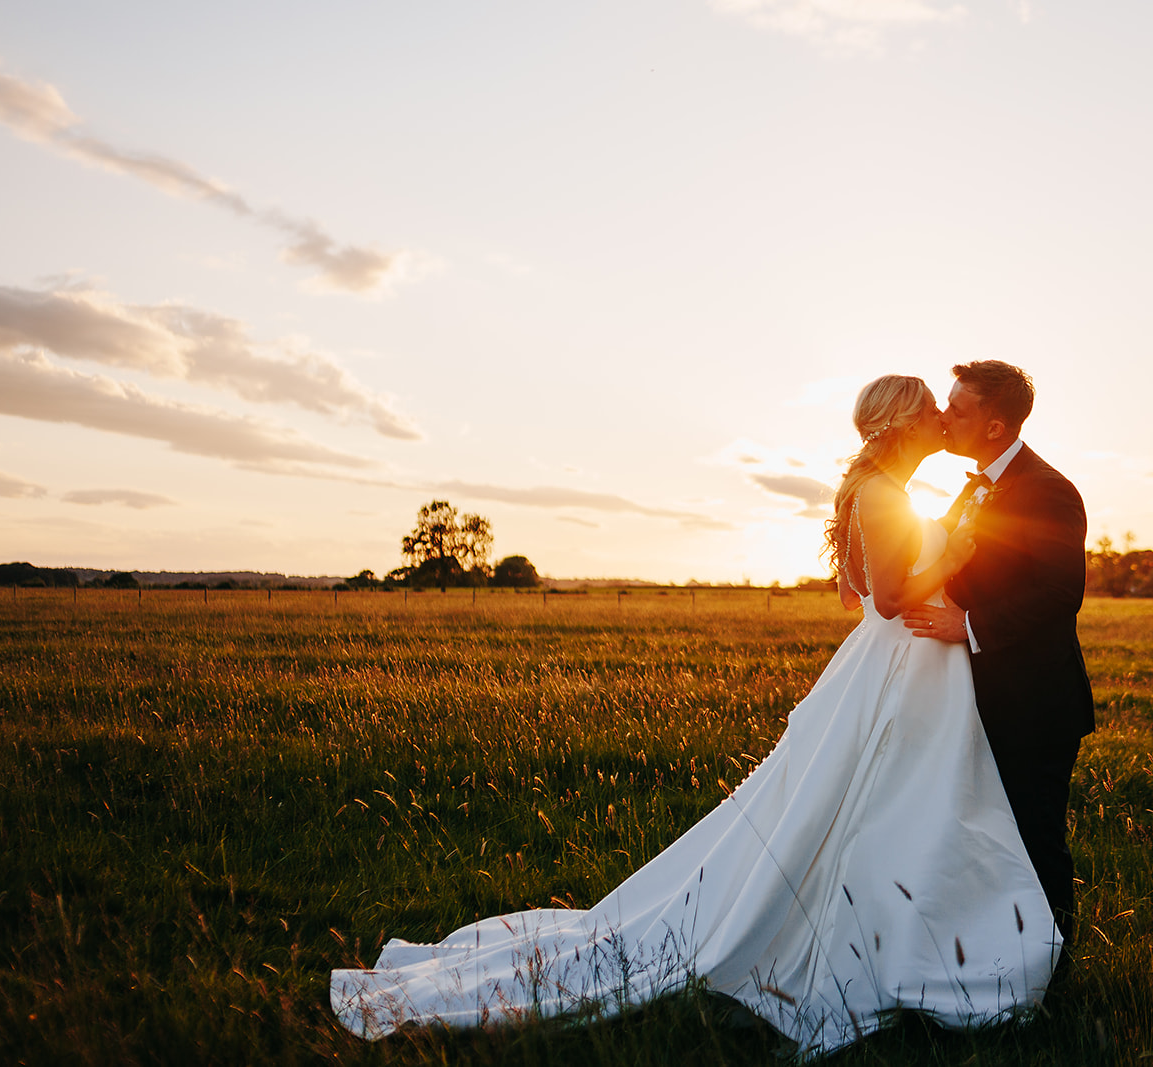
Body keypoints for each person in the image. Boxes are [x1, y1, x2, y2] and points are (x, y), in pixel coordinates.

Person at [330, 375, 1063, 1055]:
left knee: (902, 806)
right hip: (900, 662)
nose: (943, 416)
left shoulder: (881, 487)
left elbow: (857, 591)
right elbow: (894, 599)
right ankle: (881, 942)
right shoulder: (881, 491)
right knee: (874, 805)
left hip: (909, 666)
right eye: (933, 407)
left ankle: (920, 930)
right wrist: (956, 549)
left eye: (952, 405)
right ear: (904, 422)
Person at [902, 361, 1095, 948]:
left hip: (1033, 703)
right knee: (983, 836)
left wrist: (969, 625)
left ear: (993, 427)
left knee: (1034, 836)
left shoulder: (1048, 490)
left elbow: (1060, 593)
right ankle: (991, 952)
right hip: (977, 696)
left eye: (957, 409)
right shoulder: (974, 484)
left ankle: (1051, 966)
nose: (942, 416)